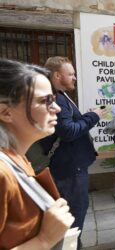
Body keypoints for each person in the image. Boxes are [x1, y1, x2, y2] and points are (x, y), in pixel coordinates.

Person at [0, 58, 75, 249]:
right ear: (5, 112)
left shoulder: (16, 158)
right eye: (44, 100)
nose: (56, 108)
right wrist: (44, 240)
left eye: (54, 99)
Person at [44, 56, 106, 248]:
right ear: (57, 75)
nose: (74, 78)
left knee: (73, 215)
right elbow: (68, 131)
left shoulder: (59, 95)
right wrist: (93, 116)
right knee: (74, 216)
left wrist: (84, 117)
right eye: (70, 74)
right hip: (71, 169)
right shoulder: (58, 99)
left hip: (68, 166)